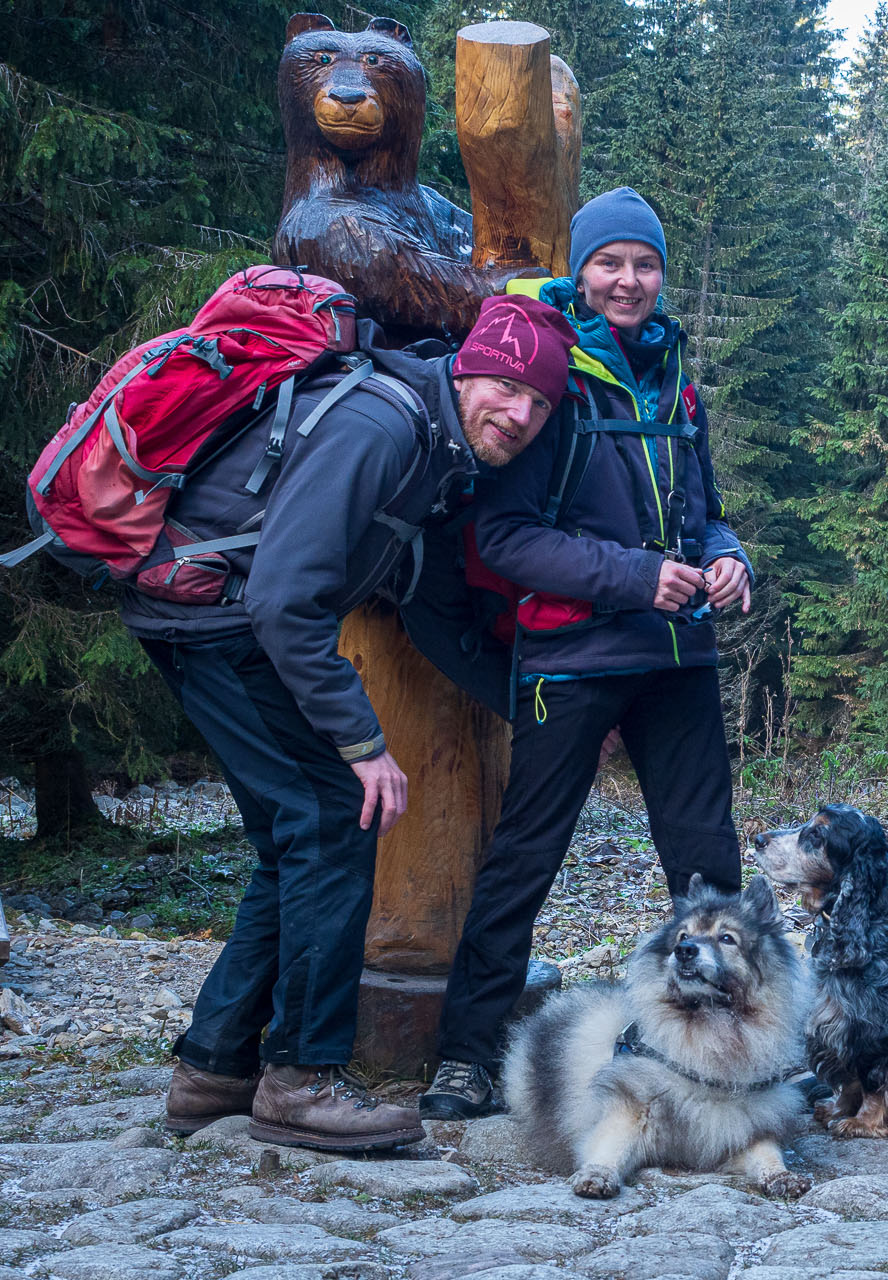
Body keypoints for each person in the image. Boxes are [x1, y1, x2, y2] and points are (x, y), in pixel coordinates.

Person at [142, 293, 577, 1149]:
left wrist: (532, 708)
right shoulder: (383, 427)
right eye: (504, 386)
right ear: (467, 369)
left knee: (296, 837)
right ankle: (301, 1077)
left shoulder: (435, 451)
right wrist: (364, 744)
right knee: (336, 820)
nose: (518, 413)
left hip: (217, 621)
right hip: (215, 623)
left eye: (537, 402)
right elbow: (282, 598)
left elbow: (423, 606)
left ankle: (214, 1068)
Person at [420, 188, 753, 1119]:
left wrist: (728, 559)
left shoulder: (676, 377)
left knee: (707, 865)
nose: (629, 280)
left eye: (643, 264)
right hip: (572, 658)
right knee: (526, 857)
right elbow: (504, 539)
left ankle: (728, 1048)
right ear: (581, 270)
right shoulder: (550, 377)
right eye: (610, 262)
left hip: (679, 657)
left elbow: (706, 513)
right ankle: (465, 1055)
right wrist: (635, 576)